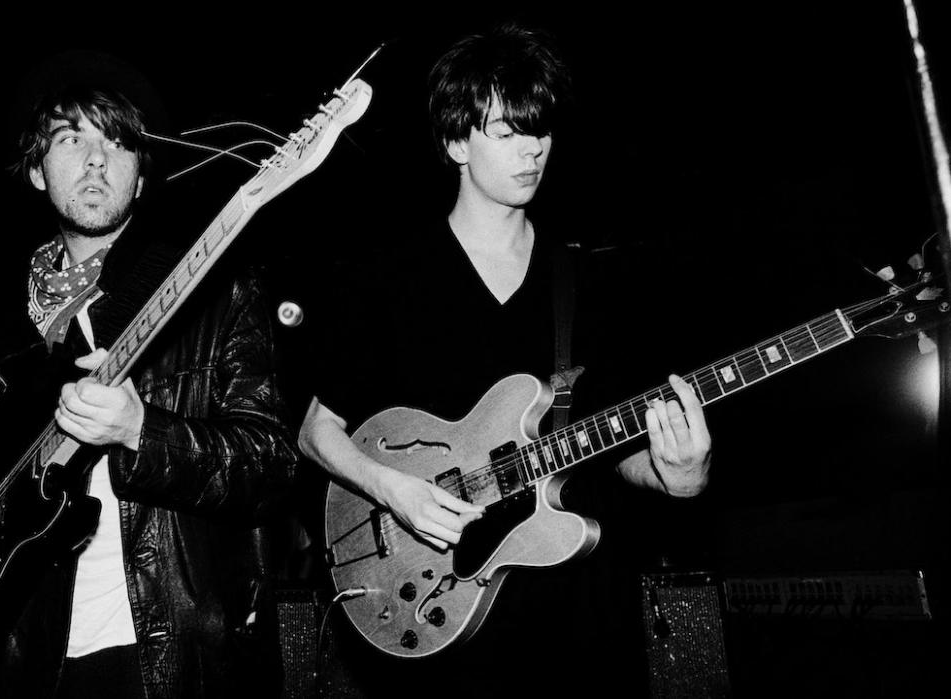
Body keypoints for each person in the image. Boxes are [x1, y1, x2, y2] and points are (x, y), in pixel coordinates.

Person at [299, 24, 712, 695]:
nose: (533, 149)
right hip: (440, 626)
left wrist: (681, 473)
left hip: (583, 626)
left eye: (540, 129)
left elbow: (621, 445)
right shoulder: (390, 280)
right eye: (507, 131)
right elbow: (316, 429)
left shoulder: (586, 283)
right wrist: (391, 489)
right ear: (456, 141)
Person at [0, 52, 298, 699]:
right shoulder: (4, 326)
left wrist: (143, 431)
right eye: (71, 139)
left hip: (176, 651)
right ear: (36, 169)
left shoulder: (214, 292)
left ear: (142, 178)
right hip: (25, 654)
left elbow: (271, 466)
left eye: (116, 142)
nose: (96, 160)